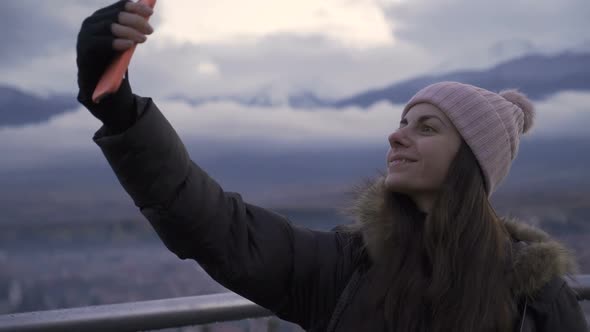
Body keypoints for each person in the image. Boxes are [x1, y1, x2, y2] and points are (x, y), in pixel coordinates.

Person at [76, 1, 589, 331]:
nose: (396, 134)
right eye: (403, 120)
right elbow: (215, 225)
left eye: (427, 127)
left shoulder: (535, 295)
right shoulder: (344, 268)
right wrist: (118, 107)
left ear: (473, 163)